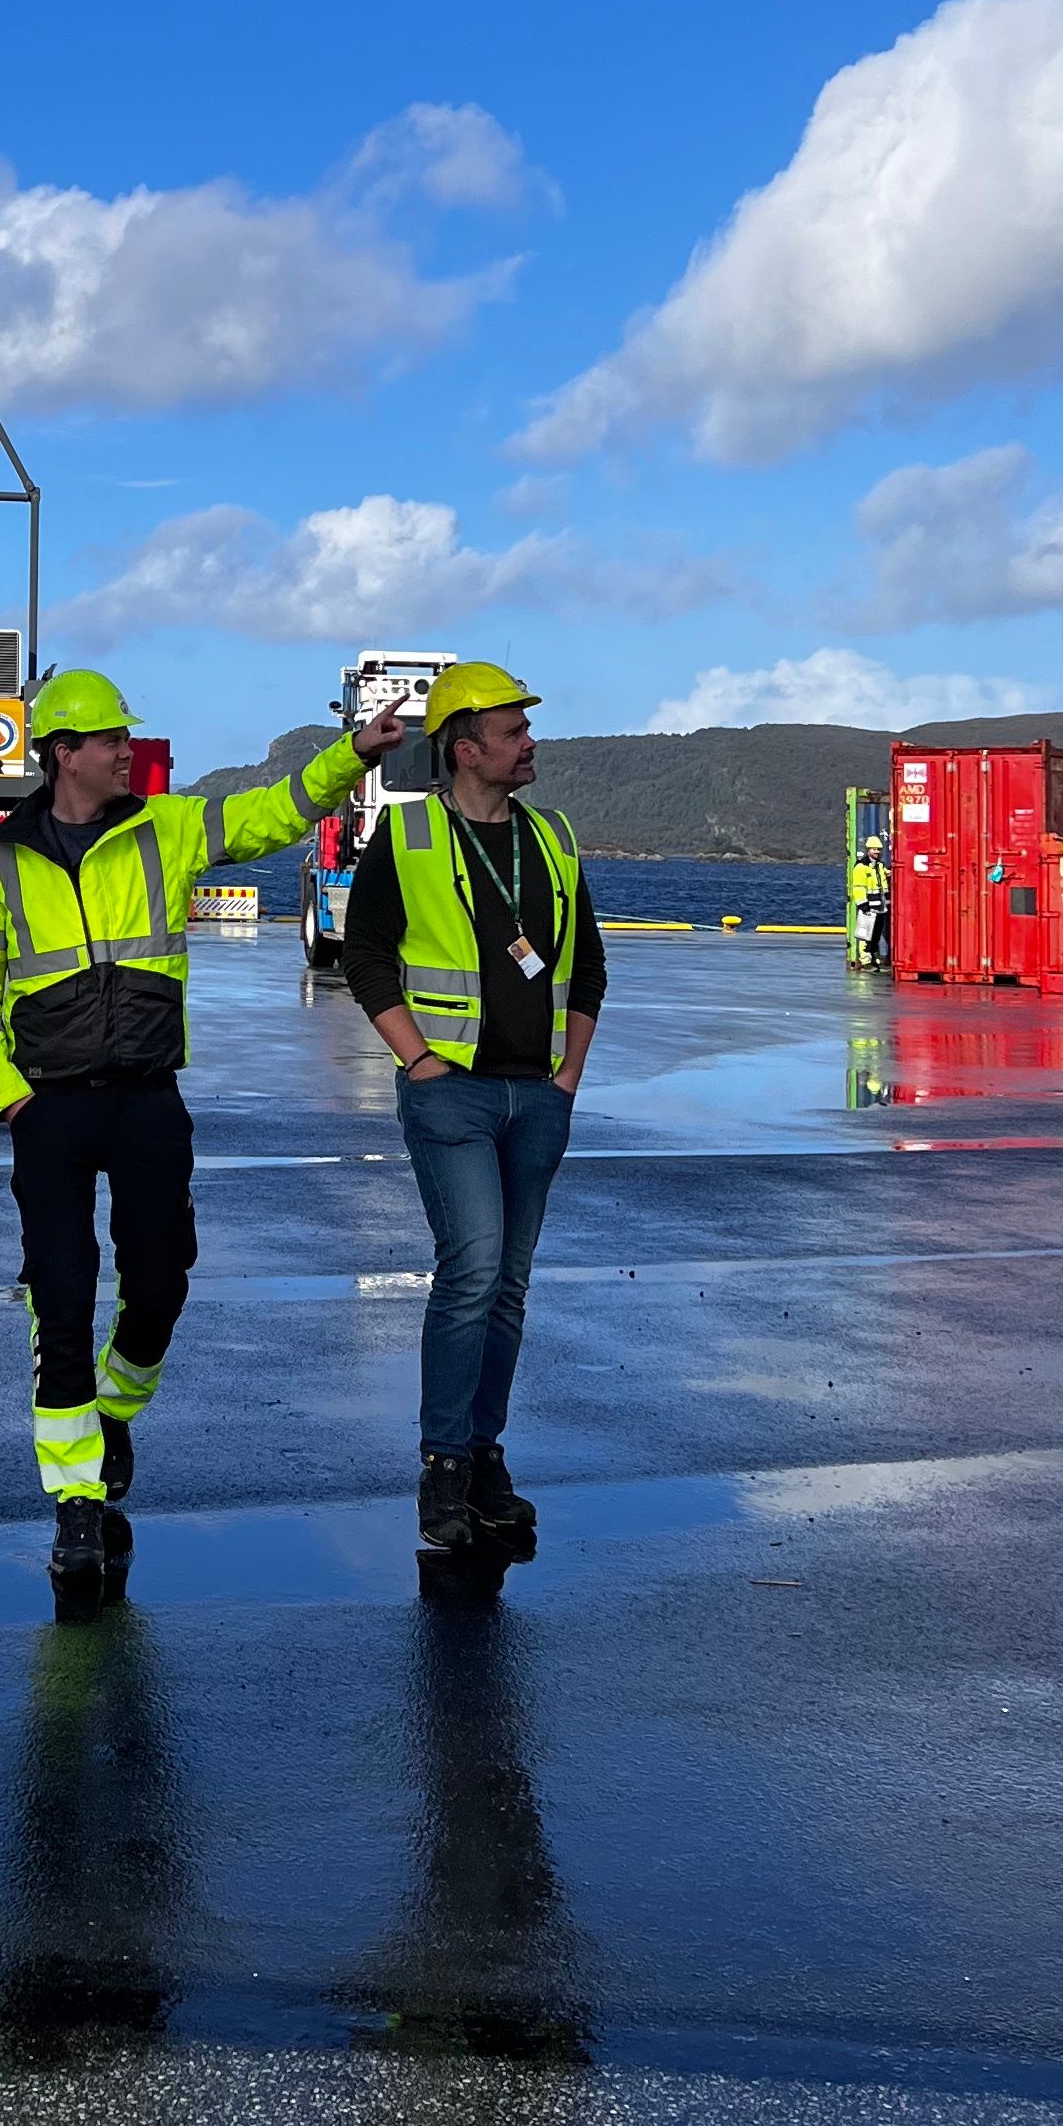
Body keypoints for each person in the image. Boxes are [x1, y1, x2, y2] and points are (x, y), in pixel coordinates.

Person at [0, 665, 418, 1590]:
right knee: (63, 1296)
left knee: (160, 1281)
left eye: (127, 737)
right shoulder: (1, 862)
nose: (128, 750)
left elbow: (272, 813)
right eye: (112, 739)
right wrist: (9, 1095)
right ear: (62, 754)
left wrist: (349, 757)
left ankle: (115, 1410)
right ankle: (76, 1501)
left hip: (148, 1099)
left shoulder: (168, 828)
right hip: (50, 1106)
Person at [338, 661, 605, 1563]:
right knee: (473, 1269)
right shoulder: (408, 836)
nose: (531, 743)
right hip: (449, 1090)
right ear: (465, 748)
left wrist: (567, 1079)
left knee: (510, 1285)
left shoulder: (555, 836)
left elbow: (589, 968)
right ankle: (443, 1466)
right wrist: (415, 1059)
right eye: (514, 731)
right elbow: (365, 956)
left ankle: (485, 1456)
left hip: (538, 1096)